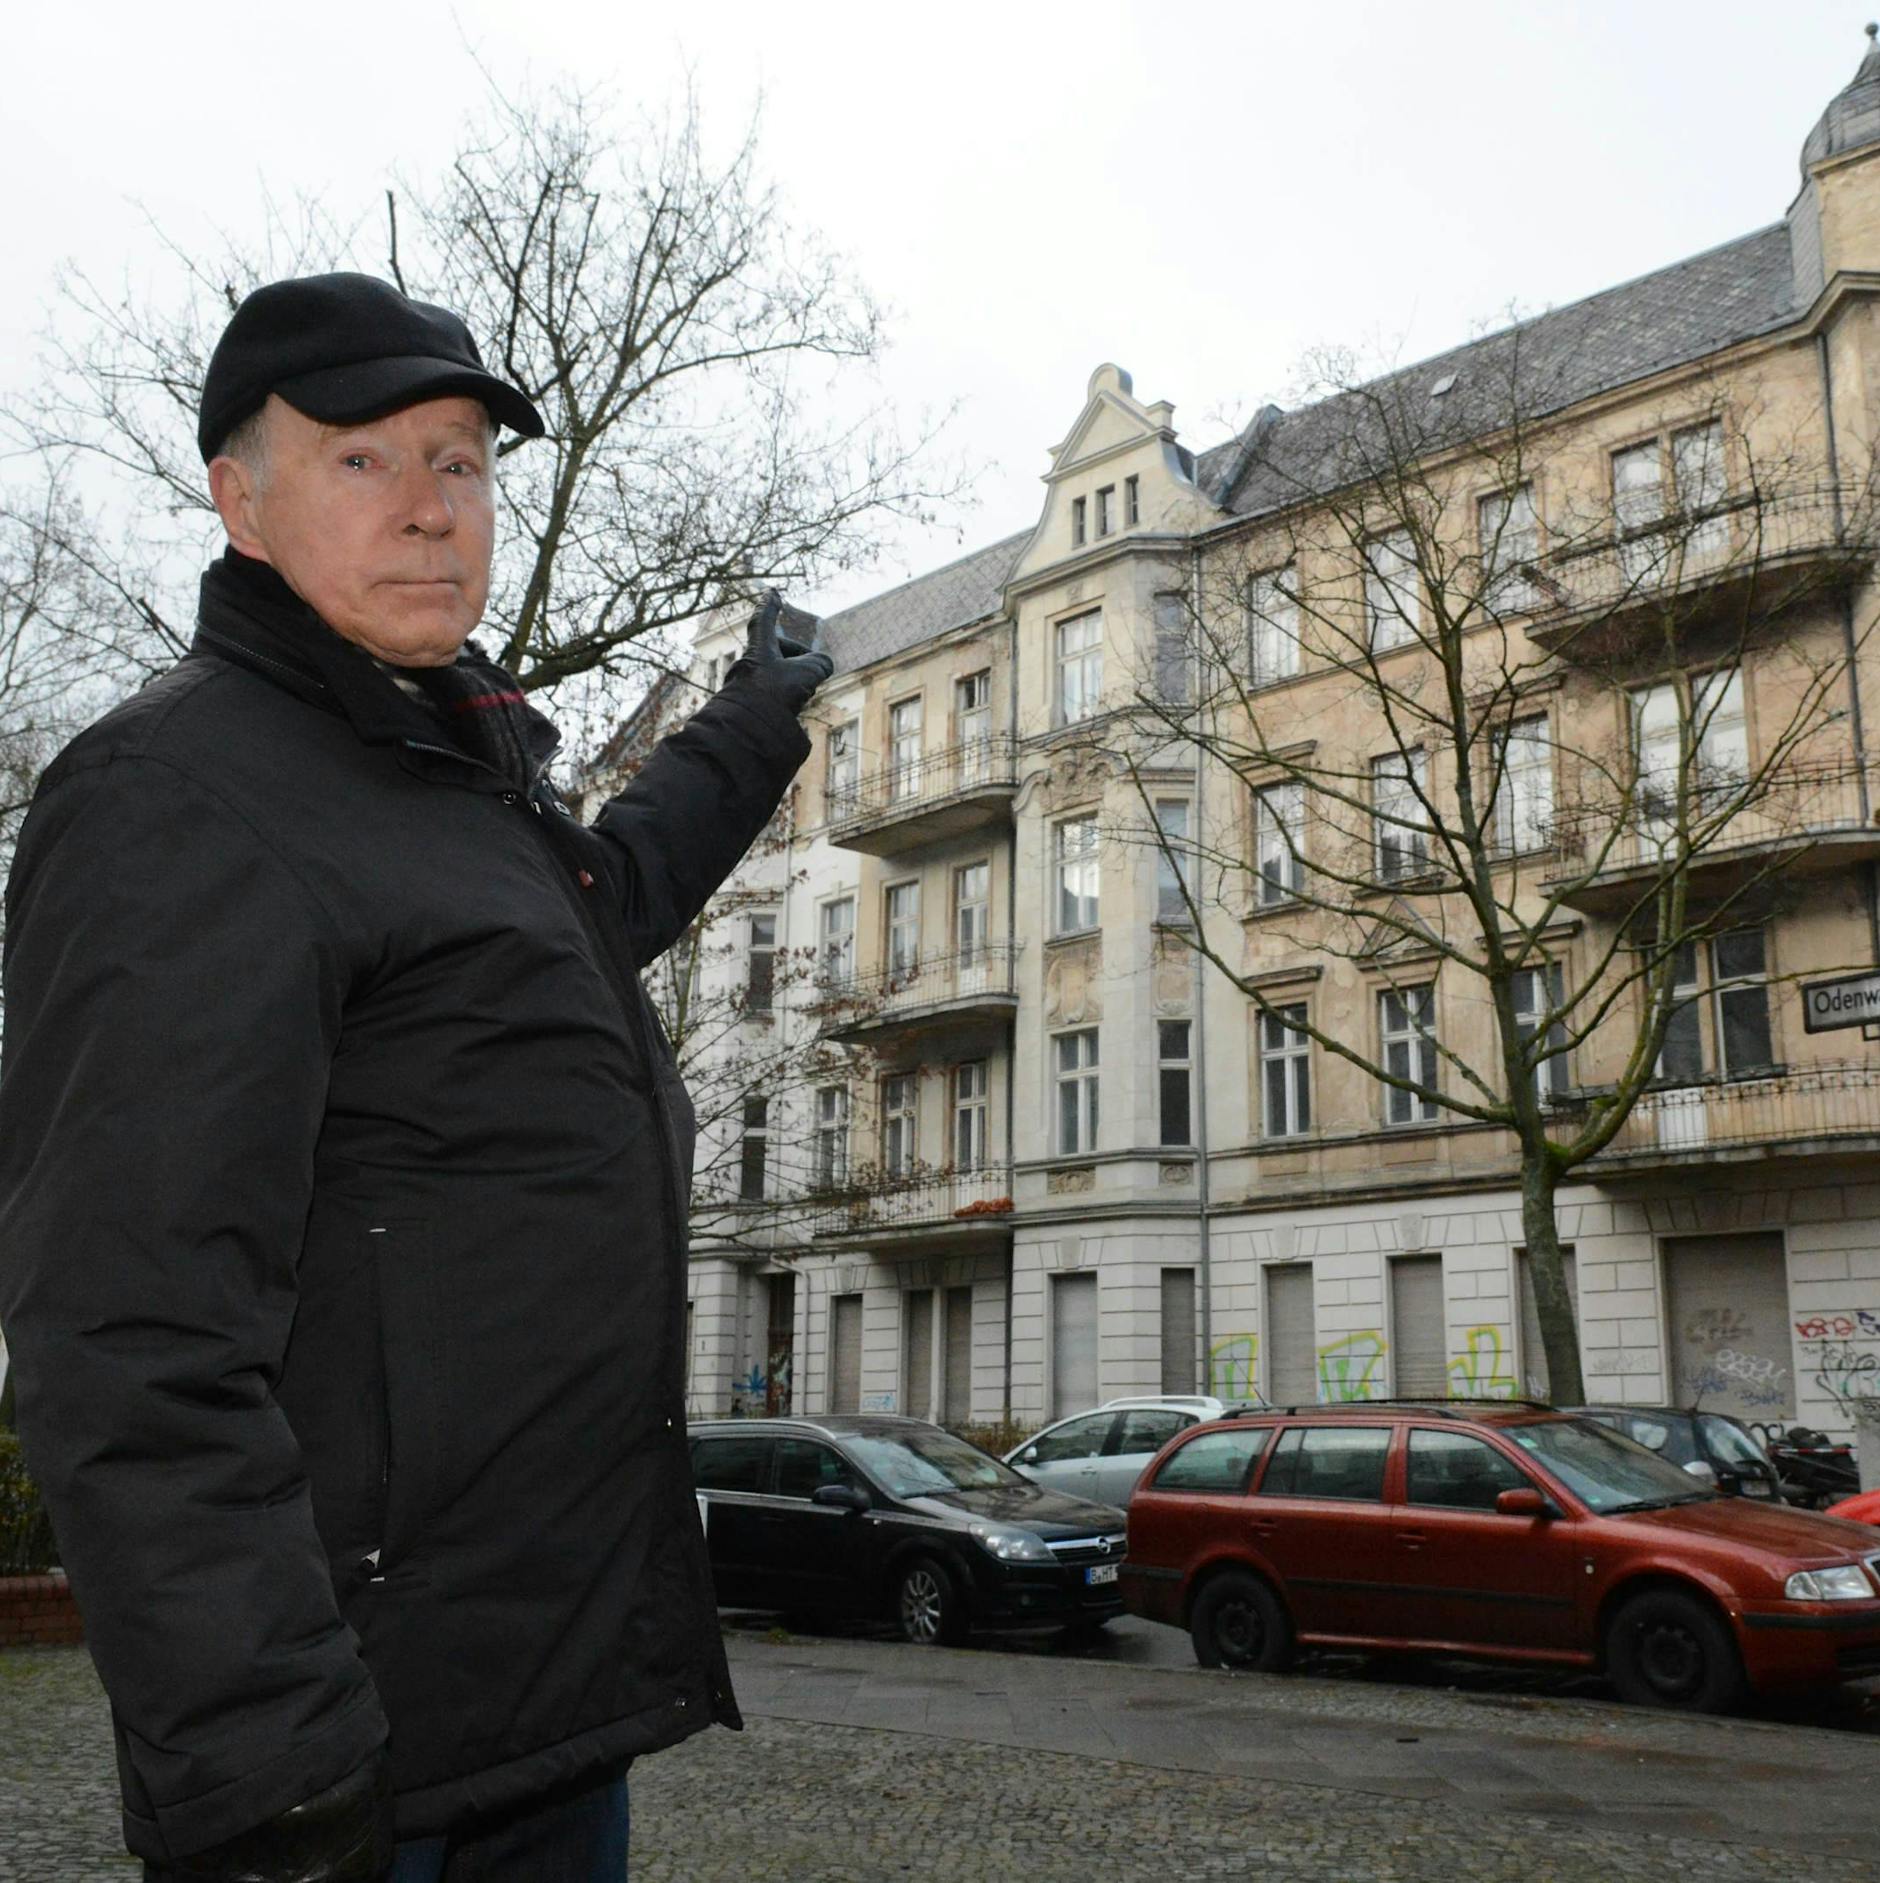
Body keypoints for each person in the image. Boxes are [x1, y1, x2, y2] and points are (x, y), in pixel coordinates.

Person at [0, 273, 831, 1881]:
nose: (432, 507)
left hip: (538, 1710)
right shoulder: (177, 795)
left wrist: (757, 721)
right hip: (357, 1752)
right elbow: (127, 1333)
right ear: (241, 500)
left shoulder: (451, 774)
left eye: (460, 462)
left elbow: (599, 907)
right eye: (364, 459)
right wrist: (265, 1761)